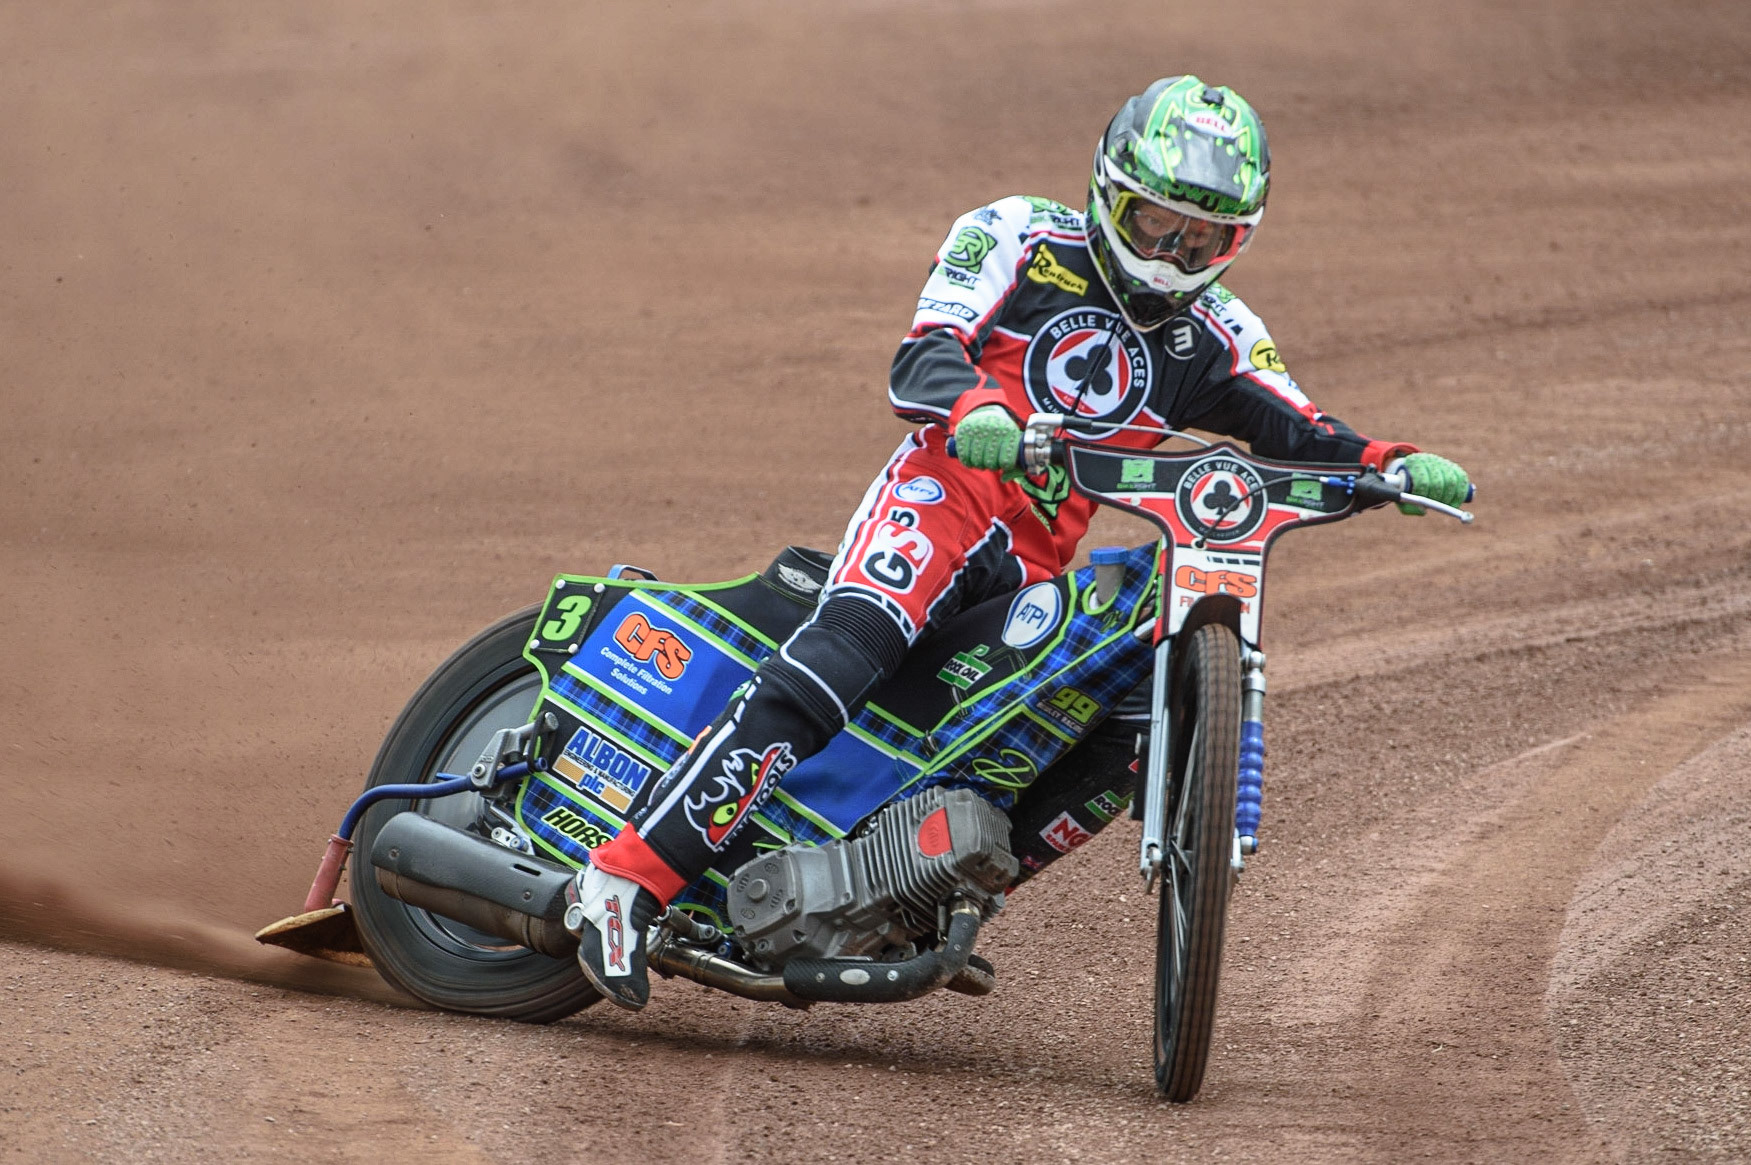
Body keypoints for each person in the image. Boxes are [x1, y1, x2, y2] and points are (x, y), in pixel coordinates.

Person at [565, 75, 1472, 1009]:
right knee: (849, 650)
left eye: (1201, 238)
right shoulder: (1017, 234)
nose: (1172, 253)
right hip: (940, 497)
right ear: (1110, 192)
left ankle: (922, 892)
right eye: (1156, 222)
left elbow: (1301, 429)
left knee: (1108, 709)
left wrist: (1390, 463)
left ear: (1234, 240)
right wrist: (974, 406)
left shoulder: (1219, 334)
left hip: (1029, 565)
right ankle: (625, 878)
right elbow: (923, 351)